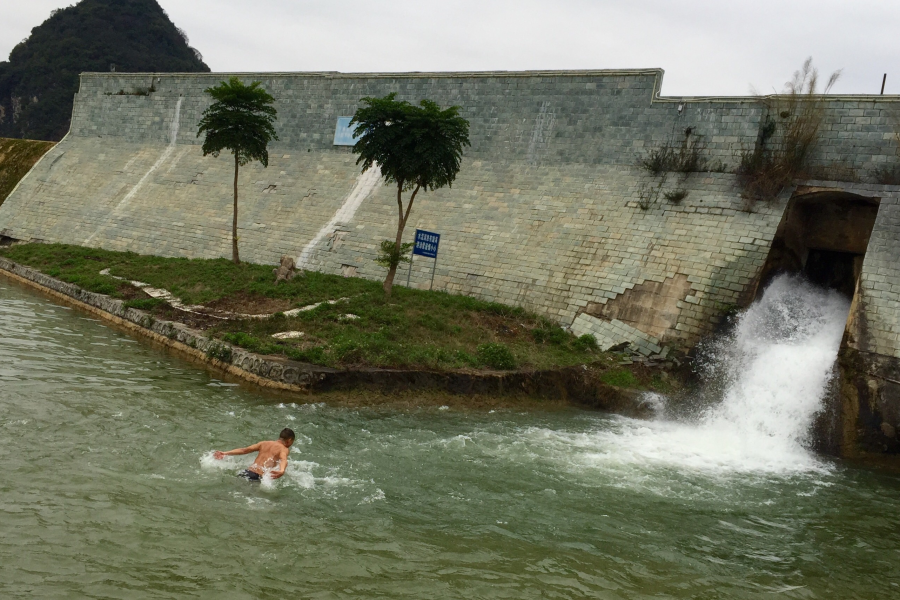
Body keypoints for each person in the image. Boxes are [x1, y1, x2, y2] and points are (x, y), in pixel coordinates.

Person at [213, 428, 295, 482]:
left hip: (246, 472)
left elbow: (245, 450)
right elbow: (283, 459)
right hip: (256, 477)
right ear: (289, 440)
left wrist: (225, 453)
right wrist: (282, 470)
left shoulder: (264, 443)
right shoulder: (284, 449)